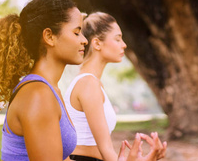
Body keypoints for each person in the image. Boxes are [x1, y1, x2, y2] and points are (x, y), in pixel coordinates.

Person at [0, 0, 164, 161]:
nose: (84, 40)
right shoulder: (38, 95)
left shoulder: (50, 90)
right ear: (49, 37)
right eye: (76, 32)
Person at [64, 12, 167, 161]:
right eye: (117, 39)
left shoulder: (92, 82)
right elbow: (105, 150)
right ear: (97, 43)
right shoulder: (88, 84)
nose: (124, 44)